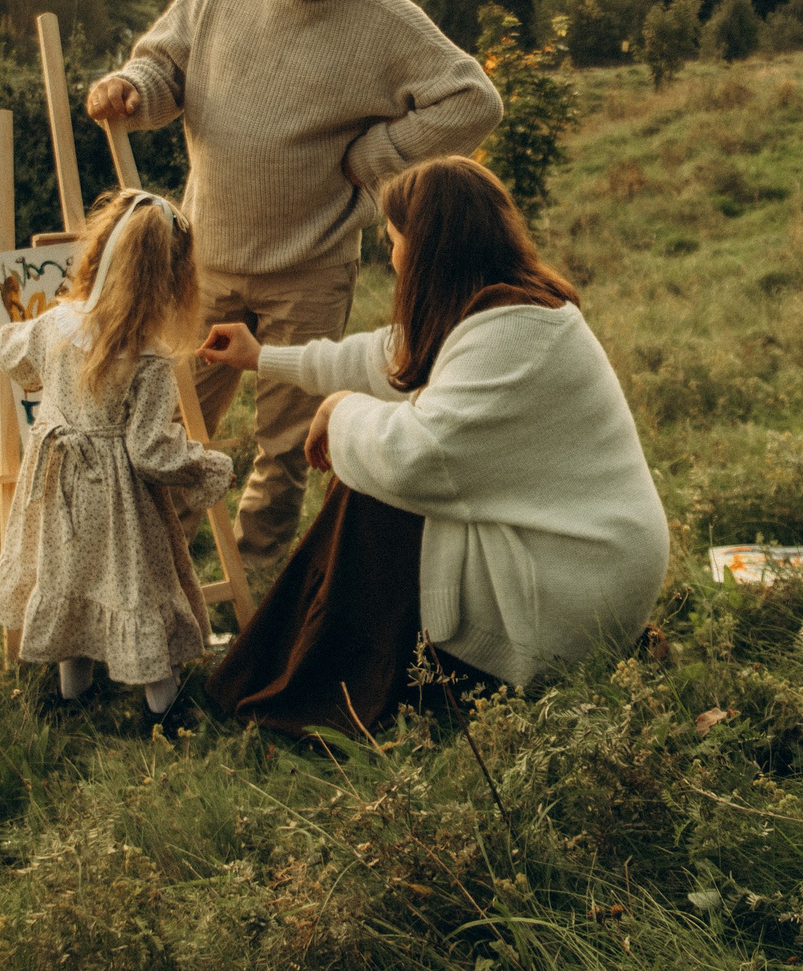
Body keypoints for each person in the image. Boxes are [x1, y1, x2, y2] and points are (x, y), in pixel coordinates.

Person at [85, 0, 502, 568]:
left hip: (309, 268)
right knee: (171, 421)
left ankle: (254, 583)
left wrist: (376, 155)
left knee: (283, 445)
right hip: (207, 258)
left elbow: (474, 100)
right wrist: (130, 88)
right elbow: (164, 66)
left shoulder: (382, 19)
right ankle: (157, 569)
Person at [198, 156, 670, 736]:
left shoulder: (513, 333)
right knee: (369, 463)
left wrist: (339, 411)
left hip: (575, 582)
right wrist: (260, 357)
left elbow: (418, 460)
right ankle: (292, 668)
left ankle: (318, 690)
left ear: (428, 250)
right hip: (573, 559)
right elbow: (384, 357)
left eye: (395, 241)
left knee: (374, 491)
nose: (394, 258)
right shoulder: (497, 309)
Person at [0, 188, 234, 719]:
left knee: (66, 578)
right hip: (119, 504)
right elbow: (150, 451)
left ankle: (72, 696)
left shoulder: (55, 324)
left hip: (56, 488)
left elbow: (11, 350)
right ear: (169, 280)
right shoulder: (147, 357)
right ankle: (163, 707)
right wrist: (207, 466)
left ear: (98, 254)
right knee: (133, 587)